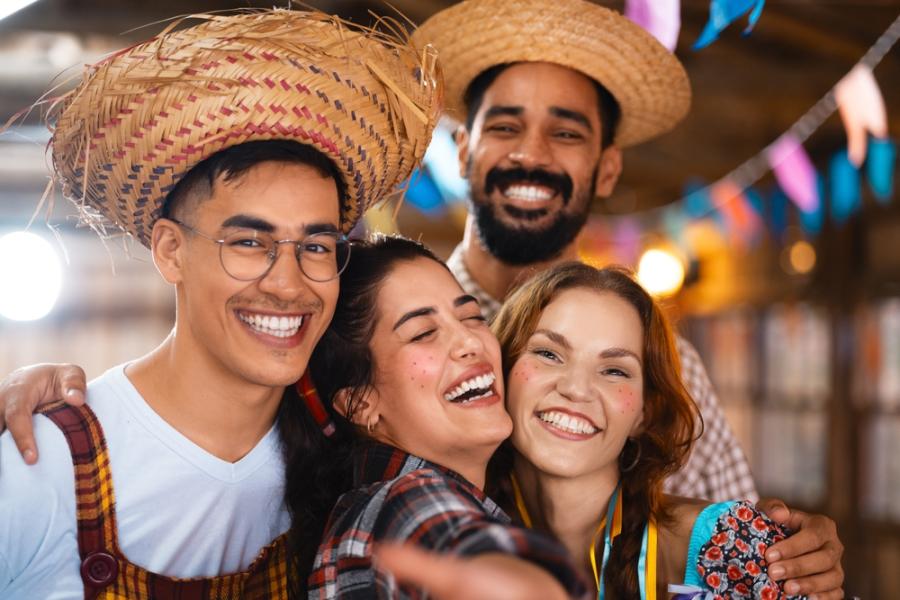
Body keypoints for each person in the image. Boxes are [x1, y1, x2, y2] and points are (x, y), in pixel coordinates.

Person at [0, 9, 439, 599]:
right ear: (170, 251)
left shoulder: (343, 465)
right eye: (250, 242)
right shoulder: (40, 461)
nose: (288, 284)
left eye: (315, 244)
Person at [410, 1, 843, 595]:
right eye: (506, 126)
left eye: (565, 133)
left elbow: (736, 551)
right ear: (461, 148)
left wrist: (795, 560)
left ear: (608, 168)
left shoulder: (676, 366)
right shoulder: (397, 335)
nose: (532, 154)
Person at [379, 263, 804, 599]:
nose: (576, 388)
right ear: (502, 369)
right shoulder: (446, 532)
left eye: (615, 370)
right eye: (548, 353)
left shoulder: (733, 543)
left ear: (644, 412)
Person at [299, 235, 586, 599]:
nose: (470, 341)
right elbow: (446, 535)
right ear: (360, 403)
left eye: (472, 317)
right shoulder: (407, 499)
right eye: (423, 333)